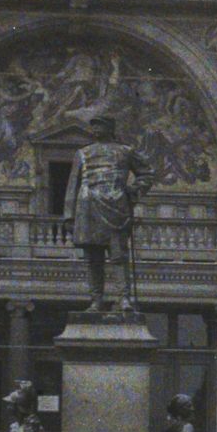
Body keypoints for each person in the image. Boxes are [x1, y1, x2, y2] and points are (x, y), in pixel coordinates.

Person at [64, 114, 153, 314]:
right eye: (93, 126)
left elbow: (147, 173)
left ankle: (124, 298)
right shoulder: (82, 153)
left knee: (118, 256)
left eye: (100, 125)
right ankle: (96, 300)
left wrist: (133, 190)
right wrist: (69, 216)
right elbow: (72, 185)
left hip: (115, 207)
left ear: (110, 128)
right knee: (93, 259)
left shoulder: (125, 151)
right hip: (88, 208)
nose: (95, 129)